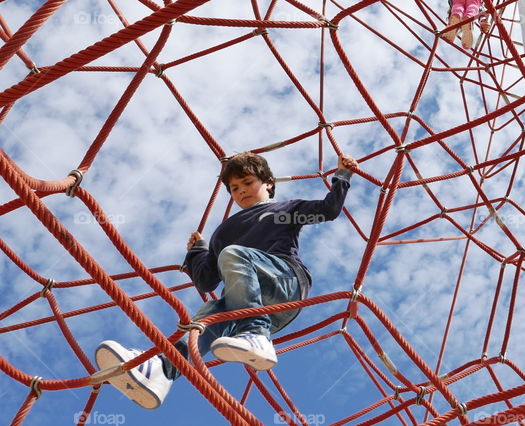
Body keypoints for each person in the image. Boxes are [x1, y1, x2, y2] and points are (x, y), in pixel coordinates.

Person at [94, 151, 358, 409]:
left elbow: (328, 210)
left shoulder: (286, 209)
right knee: (206, 317)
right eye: (234, 188)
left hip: (285, 281)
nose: (241, 190)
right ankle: (162, 371)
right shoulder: (223, 233)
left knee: (234, 255)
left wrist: (342, 175)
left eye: (248, 183)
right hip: (248, 302)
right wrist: (196, 252)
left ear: (268, 184)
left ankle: (256, 333)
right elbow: (206, 281)